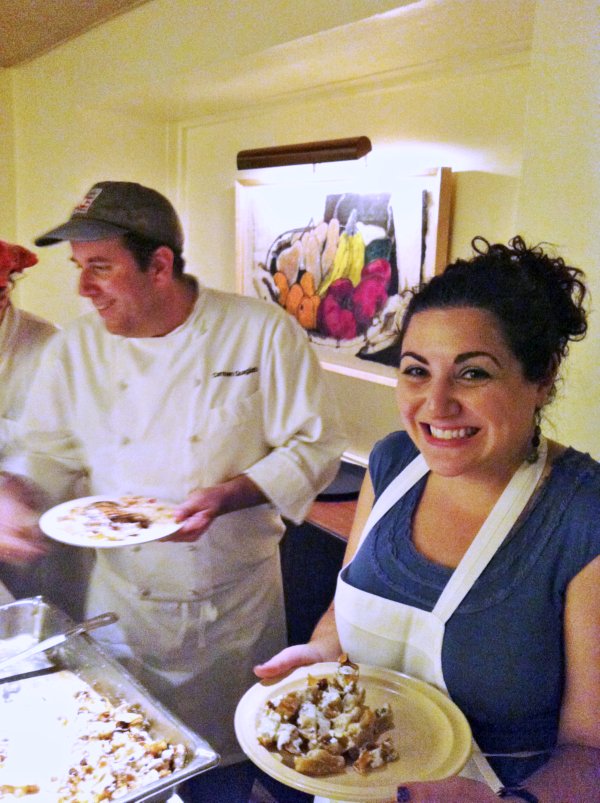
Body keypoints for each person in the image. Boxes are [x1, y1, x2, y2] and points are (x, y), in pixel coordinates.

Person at [0, 182, 346, 786]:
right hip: (123, 604)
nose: (83, 288)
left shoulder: (259, 332)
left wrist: (228, 495)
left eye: (100, 268)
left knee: (228, 768)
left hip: (232, 606)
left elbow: (313, 444)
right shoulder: (74, 350)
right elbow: (45, 452)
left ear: (159, 265)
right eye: (79, 268)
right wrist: (16, 495)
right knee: (127, 756)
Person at [256, 236, 600, 803]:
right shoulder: (392, 463)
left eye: (473, 375)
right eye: (416, 371)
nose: (435, 405)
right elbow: (344, 613)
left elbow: (591, 750)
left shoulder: (581, 516)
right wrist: (320, 656)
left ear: (541, 379)